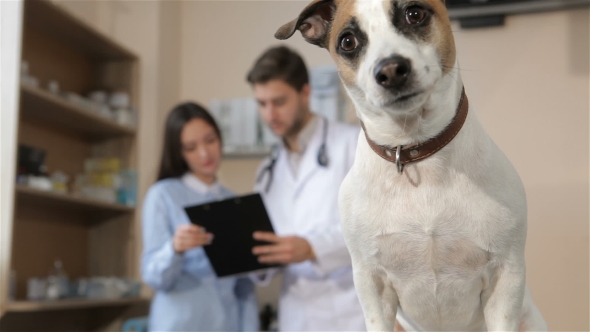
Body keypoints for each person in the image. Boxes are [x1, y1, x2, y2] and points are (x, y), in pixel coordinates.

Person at [246, 45, 366, 331]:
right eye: (262, 104)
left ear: (305, 93)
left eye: (279, 101)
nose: (270, 114)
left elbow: (377, 228)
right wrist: (260, 258)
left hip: (349, 313)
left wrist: (313, 248)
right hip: (295, 315)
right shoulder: (267, 172)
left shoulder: (353, 144)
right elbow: (270, 244)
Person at [141, 102, 259, 331]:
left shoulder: (234, 201)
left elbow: (244, 286)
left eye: (210, 140)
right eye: (191, 147)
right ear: (178, 152)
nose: (205, 153)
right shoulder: (163, 195)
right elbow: (155, 278)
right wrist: (174, 249)